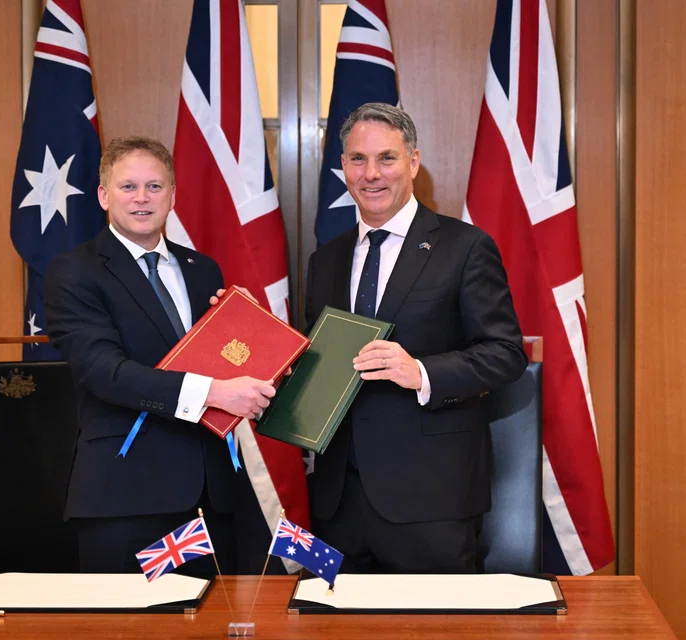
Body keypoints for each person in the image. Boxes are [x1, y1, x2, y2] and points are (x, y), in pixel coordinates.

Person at [304, 103, 528, 574]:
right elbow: (316, 365)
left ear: (413, 162)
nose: (371, 174)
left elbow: (505, 354)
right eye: (357, 160)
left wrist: (421, 371)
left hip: (432, 502)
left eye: (386, 158)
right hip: (338, 502)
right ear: (342, 166)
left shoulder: (465, 247)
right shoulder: (325, 261)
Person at [43, 136, 277, 574]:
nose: (141, 199)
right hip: (128, 497)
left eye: (154, 186)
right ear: (103, 195)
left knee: (209, 625)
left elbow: (223, 361)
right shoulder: (74, 271)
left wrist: (247, 329)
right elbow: (104, 372)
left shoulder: (202, 269)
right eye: (127, 187)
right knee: (130, 630)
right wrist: (213, 393)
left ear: (173, 196)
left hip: (212, 496)